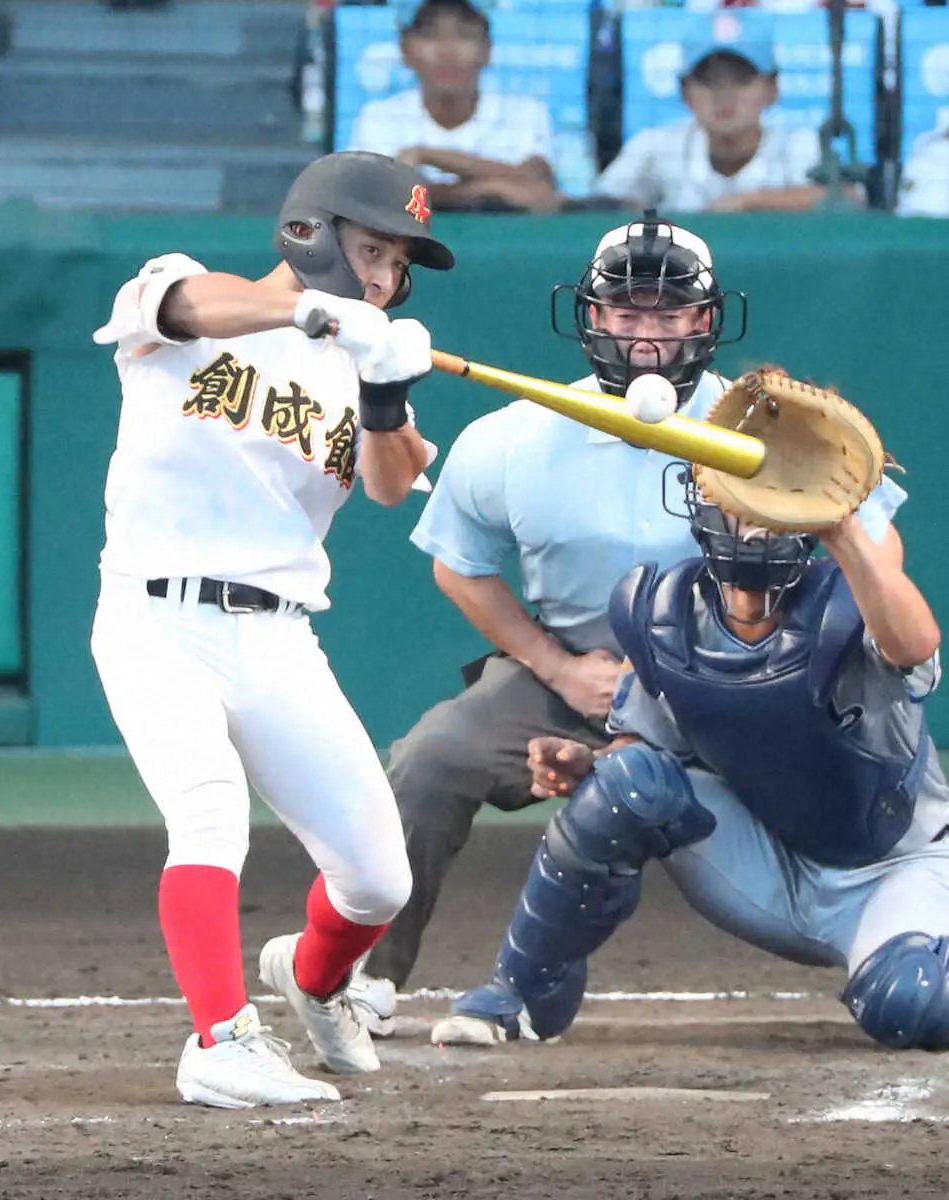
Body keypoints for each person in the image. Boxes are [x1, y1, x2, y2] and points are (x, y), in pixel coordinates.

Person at [89, 150, 454, 1108]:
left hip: (276, 633)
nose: (381, 275)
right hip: (152, 615)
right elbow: (193, 307)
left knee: (378, 881)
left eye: (395, 259)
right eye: (369, 247)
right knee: (207, 806)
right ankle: (219, 1040)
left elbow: (388, 483)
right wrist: (304, 311)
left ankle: (314, 978)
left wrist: (383, 391)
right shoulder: (178, 298)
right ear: (313, 232)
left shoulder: (354, 358)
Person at [346, 212, 752, 1035]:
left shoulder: (766, 430)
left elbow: (859, 544)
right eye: (627, 313)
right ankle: (364, 978)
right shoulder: (513, 436)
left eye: (667, 314)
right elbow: (458, 564)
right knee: (431, 759)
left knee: (844, 779)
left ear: (705, 322)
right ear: (592, 317)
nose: (646, 336)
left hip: (734, 679)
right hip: (572, 672)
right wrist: (557, 669)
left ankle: (907, 944)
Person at [432, 467, 949, 1053]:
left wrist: (846, 530)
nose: (757, 520)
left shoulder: (853, 600)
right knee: (626, 786)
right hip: (767, 866)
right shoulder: (664, 613)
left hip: (895, 868)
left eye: (777, 497)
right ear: (706, 501)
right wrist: (591, 764)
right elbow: (639, 748)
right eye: (743, 496)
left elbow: (916, 645)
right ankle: (521, 996)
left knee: (912, 1001)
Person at [497, 23, 833, 216]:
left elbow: (846, 199)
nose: (724, 96)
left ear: (772, 89)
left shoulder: (799, 143)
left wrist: (747, 201)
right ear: (685, 92)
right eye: (709, 81)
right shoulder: (657, 144)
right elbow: (602, 203)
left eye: (741, 80)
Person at [344, 0, 571, 212]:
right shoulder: (379, 117)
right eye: (430, 35)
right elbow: (378, 200)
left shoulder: (526, 113)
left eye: (464, 35)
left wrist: (426, 155)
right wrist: (490, 189)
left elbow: (540, 189)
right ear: (405, 50)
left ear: (487, 49)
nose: (447, 51)